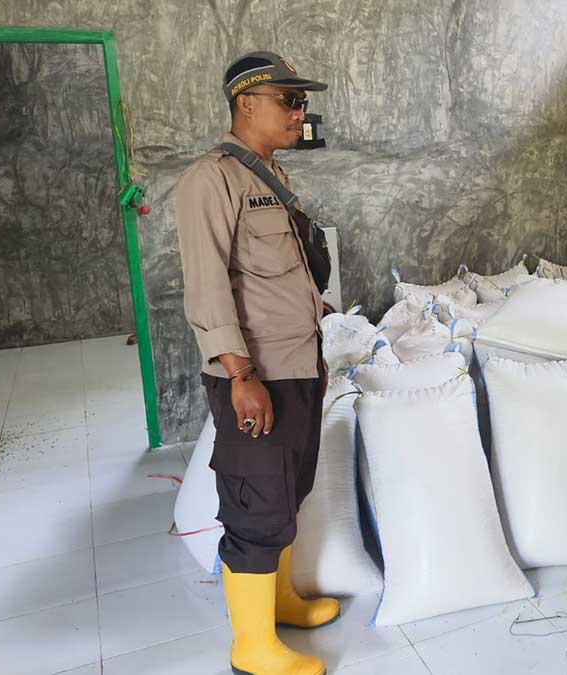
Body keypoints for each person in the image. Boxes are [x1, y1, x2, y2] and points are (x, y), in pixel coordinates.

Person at [175, 51, 336, 675]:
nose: (301, 113)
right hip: (256, 374)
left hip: (297, 364)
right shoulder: (210, 179)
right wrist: (240, 376)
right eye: (288, 101)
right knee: (255, 502)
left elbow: (277, 276)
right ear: (246, 102)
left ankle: (282, 602)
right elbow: (208, 284)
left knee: (289, 489)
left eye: (301, 102)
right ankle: (253, 646)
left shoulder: (268, 176)